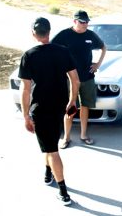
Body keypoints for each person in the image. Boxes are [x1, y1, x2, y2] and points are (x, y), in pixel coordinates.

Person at [19, 17, 80, 205]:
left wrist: (25, 116)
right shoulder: (63, 52)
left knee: (52, 150)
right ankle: (48, 173)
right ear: (49, 32)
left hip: (41, 108)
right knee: (50, 142)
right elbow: (75, 80)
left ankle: (63, 192)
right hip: (59, 106)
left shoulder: (29, 55)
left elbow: (26, 89)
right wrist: (71, 101)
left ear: (33, 34)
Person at [52, 10, 106, 148]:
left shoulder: (90, 35)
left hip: (87, 77)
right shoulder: (65, 34)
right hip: (70, 79)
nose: (85, 24)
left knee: (85, 106)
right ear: (74, 21)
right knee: (70, 108)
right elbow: (51, 49)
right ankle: (66, 138)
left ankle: (83, 135)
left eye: (87, 21)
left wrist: (97, 64)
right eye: (82, 22)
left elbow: (103, 47)